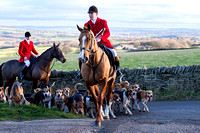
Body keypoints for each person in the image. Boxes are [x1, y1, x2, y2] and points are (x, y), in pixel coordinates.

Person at [77, 5, 122, 78]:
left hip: (103, 42)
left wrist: (101, 38)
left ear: (96, 14)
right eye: (89, 13)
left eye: (92, 13)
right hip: (92, 44)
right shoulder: (86, 24)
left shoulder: (103, 22)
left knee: (114, 53)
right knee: (80, 56)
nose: (90, 15)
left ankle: (117, 70)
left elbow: (107, 33)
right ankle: (81, 72)